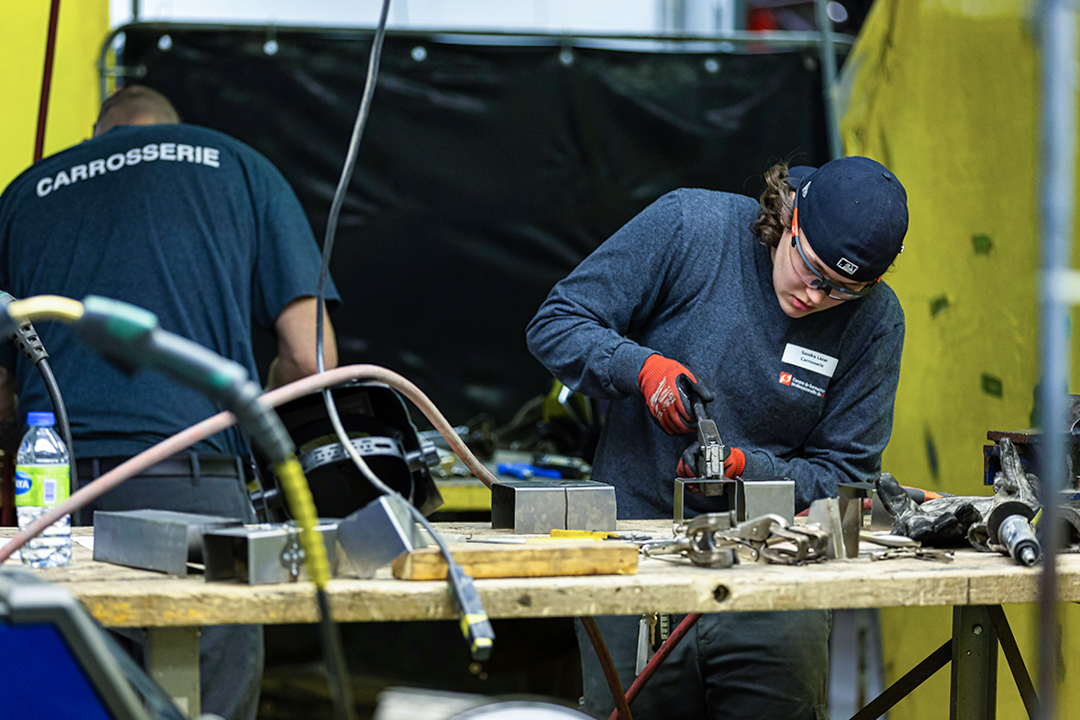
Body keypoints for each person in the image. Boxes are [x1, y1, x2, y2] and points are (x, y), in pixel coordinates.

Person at [526, 156, 908, 719]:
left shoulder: (876, 323)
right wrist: (639, 367)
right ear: (788, 214)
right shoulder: (690, 227)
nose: (815, 296)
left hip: (776, 575)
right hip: (639, 556)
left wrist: (746, 468)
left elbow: (848, 480)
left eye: (841, 289)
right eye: (810, 267)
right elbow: (556, 322)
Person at [0, 85, 339, 720]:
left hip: (49, 497)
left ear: (96, 134)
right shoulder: (240, 166)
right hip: (198, 490)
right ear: (174, 129)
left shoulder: (24, 193)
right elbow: (309, 360)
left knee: (72, 701)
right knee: (202, 703)